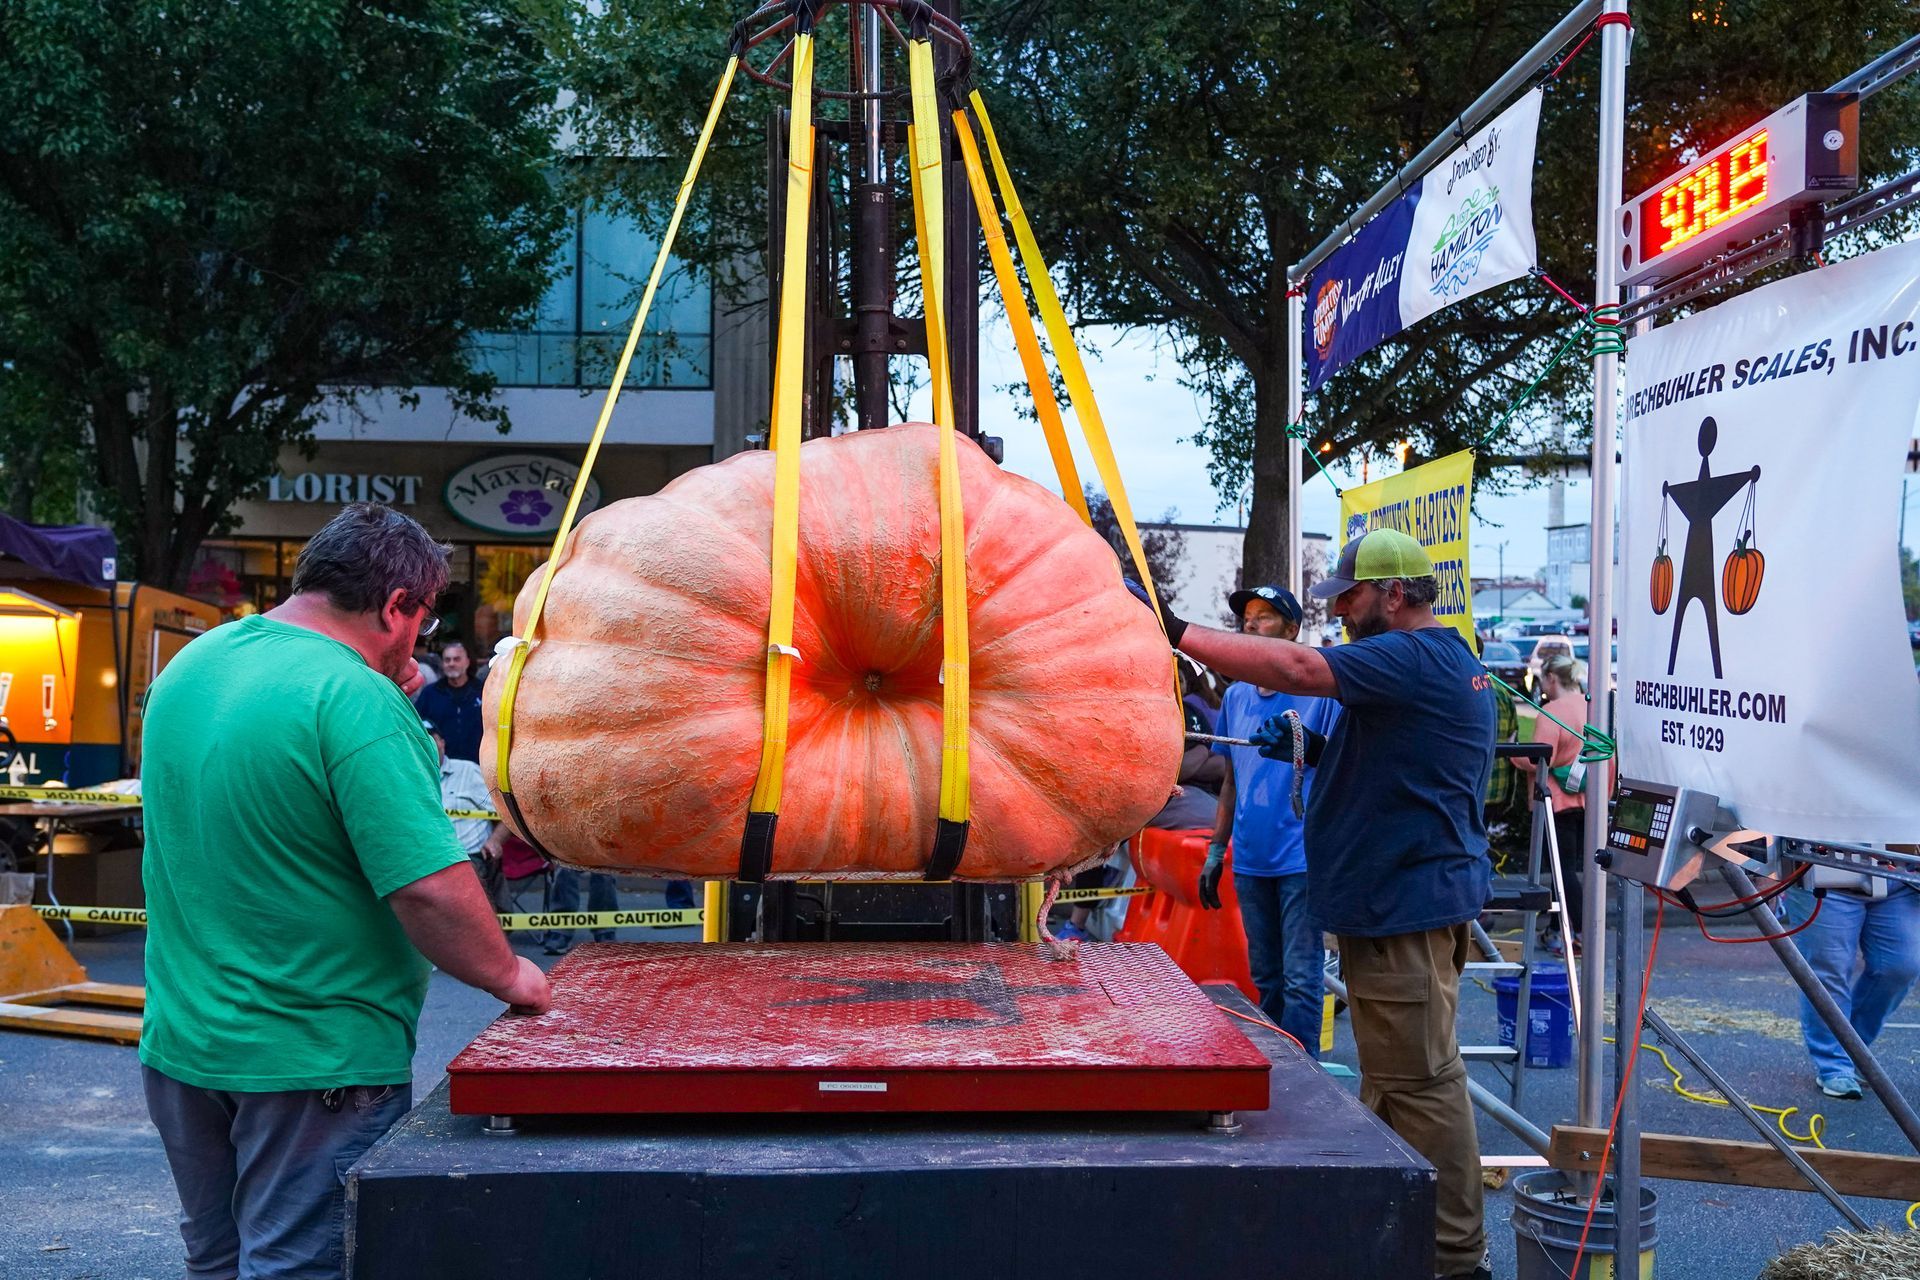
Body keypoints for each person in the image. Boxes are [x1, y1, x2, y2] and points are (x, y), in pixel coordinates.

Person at [139, 503, 550, 1280]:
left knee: (219, 1262)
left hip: (184, 1046)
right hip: (312, 1059)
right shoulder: (355, 700)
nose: (418, 647)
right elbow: (427, 888)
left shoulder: (195, 664)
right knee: (298, 1267)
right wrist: (512, 975)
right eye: (421, 624)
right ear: (397, 606)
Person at [1131, 528, 1495, 1280]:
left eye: (1352, 598)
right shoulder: (1437, 662)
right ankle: (1409, 1239)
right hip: (1397, 906)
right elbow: (1409, 764)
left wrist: (1172, 630)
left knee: (1423, 1087)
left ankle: (1455, 1260)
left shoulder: (1411, 653)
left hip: (1403, 910)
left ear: (1395, 594)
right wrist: (1321, 753)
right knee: (1396, 1083)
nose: (1342, 613)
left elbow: (1297, 666)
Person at [1201, 584, 1339, 1056]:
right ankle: (1280, 1066)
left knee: (1302, 977)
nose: (1251, 624)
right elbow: (1231, 780)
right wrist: (1217, 851)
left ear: (1292, 629)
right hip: (1252, 859)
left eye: (1264, 616)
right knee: (1266, 976)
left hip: (1301, 857)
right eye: (1247, 617)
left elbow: (1342, 763)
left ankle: (1308, 1080)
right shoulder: (1236, 697)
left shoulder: (1320, 692)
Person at [1781, 872, 1920, 1099]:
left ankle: (1854, 1049)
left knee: (1901, 966)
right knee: (1828, 973)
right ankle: (1834, 1064)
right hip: (1822, 870)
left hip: (1901, 875)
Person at [1510, 654, 1587, 954]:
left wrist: (1515, 750)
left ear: (1552, 678)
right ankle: (1558, 927)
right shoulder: (1590, 705)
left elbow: (1539, 758)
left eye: (1543, 679)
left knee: (1560, 869)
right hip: (1587, 797)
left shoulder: (1553, 712)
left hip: (1554, 800)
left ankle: (1578, 930)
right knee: (1573, 868)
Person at [430, 720, 508, 909]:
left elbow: (506, 814)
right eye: (421, 738)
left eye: (432, 738)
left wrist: (495, 840)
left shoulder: (468, 771)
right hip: (428, 859)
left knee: (462, 875)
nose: (427, 743)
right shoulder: (410, 777)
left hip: (469, 857)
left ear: (442, 742)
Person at [414, 638, 485, 763]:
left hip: (479, 768)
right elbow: (417, 728)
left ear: (467, 662)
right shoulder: (430, 694)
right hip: (442, 770)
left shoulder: (482, 691)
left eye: (457, 659)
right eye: (447, 660)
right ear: (442, 664)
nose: (451, 663)